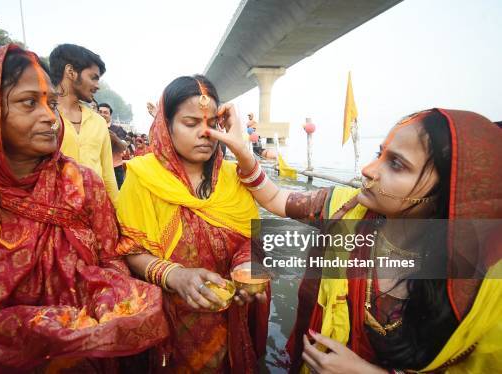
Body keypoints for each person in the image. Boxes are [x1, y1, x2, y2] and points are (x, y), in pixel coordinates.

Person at [0, 45, 168, 372]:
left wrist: (113, 302)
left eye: (51, 103)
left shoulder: (81, 184)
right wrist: (38, 329)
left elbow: (111, 261)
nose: (50, 116)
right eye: (28, 103)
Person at [207, 106, 502, 373]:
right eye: (380, 154)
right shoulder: (347, 207)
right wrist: (243, 151)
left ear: (452, 193)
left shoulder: (486, 287)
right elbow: (273, 197)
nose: (368, 170)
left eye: (396, 164)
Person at [116, 75, 269, 372]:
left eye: (212, 123)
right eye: (190, 124)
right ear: (166, 125)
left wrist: (247, 267)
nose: (205, 133)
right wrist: (175, 276)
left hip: (225, 314)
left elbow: (251, 239)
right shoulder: (143, 176)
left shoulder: (231, 176)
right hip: (168, 316)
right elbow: (129, 250)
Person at [49, 43, 119, 205]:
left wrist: (118, 214)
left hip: (96, 214)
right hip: (56, 213)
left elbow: (108, 176)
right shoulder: (44, 118)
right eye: (93, 77)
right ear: (71, 72)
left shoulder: (98, 122)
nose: (97, 85)